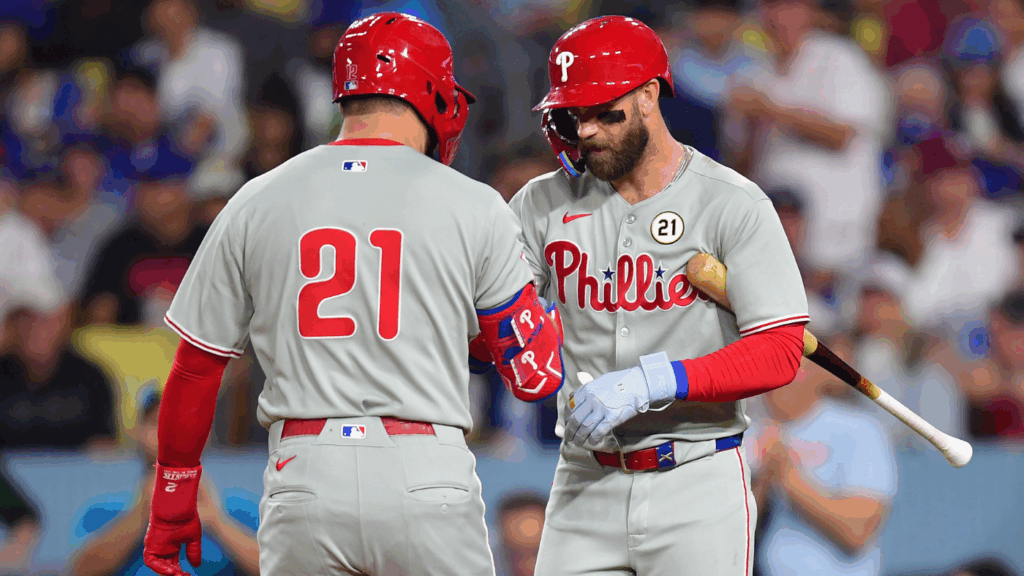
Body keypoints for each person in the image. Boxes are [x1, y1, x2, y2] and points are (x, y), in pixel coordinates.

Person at [141, 12, 563, 576]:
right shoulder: (473, 202)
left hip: (304, 474)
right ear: (433, 92)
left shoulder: (258, 196)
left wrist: (173, 496)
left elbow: (196, 368)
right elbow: (534, 375)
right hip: (425, 469)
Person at [511, 15, 809, 576]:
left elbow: (780, 350)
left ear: (649, 95)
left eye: (605, 112)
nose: (588, 130)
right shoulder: (540, 203)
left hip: (696, 480)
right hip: (583, 479)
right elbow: (492, 320)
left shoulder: (731, 202)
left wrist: (657, 380)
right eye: (575, 114)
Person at [65, 388, 260, 576]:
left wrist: (217, 523)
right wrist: (140, 517)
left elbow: (278, 568)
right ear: (139, 432)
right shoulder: (104, 511)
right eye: (157, 423)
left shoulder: (238, 510)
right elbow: (79, 570)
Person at [748, 350, 896, 576]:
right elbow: (732, 535)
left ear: (816, 372)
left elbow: (856, 532)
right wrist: (762, 485)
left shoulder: (860, 430)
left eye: (789, 368)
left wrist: (789, 480)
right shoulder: (748, 433)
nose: (775, 381)